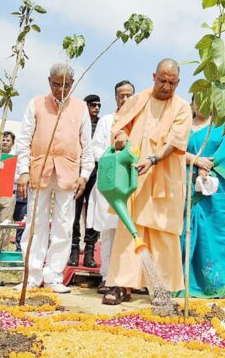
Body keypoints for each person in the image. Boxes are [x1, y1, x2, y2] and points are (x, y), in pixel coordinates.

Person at [102, 58, 192, 305]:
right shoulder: (137, 100)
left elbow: (176, 142)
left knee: (163, 232)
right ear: (153, 76)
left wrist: (152, 159)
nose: (166, 86)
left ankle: (161, 290)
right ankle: (121, 285)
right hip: (134, 177)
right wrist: (120, 138)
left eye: (171, 83)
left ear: (178, 82)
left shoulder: (182, 107)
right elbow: (120, 127)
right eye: (162, 80)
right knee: (129, 230)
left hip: (165, 177)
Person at [15, 63, 93, 293]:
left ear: (73, 83)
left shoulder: (81, 108)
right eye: (57, 85)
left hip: (68, 174)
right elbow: (23, 140)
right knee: (35, 223)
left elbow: (86, 145)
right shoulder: (36, 103)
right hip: (39, 171)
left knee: (64, 225)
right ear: (49, 81)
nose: (61, 90)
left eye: (66, 85)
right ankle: (31, 275)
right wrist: (23, 171)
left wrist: (85, 175)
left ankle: (54, 276)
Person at [180, 98, 225, 297]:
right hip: (186, 187)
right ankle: (186, 283)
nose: (202, 106)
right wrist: (196, 161)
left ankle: (219, 284)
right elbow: (173, 151)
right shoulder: (182, 127)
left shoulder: (223, 128)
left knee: (218, 234)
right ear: (192, 104)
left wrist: (209, 169)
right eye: (198, 101)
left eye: (207, 102)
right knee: (187, 233)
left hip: (217, 191)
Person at [86, 80, 135, 293]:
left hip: (131, 184)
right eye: (121, 95)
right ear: (115, 97)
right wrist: (113, 154)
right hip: (108, 182)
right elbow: (95, 149)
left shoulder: (138, 120)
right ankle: (107, 275)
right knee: (107, 231)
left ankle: (126, 278)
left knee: (127, 232)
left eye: (128, 95)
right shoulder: (107, 120)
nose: (124, 99)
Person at [68, 94, 102, 268]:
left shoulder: (102, 124)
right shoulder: (77, 122)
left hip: (96, 172)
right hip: (77, 171)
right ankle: (74, 249)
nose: (96, 108)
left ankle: (89, 251)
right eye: (93, 105)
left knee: (93, 213)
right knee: (74, 211)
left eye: (99, 105)